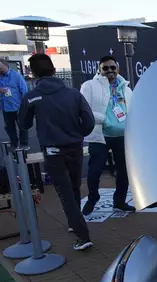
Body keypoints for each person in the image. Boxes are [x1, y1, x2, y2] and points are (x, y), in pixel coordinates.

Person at [18, 54, 95, 251]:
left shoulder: (31, 96)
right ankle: (74, 223)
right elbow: (89, 122)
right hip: (75, 147)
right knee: (74, 187)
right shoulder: (73, 94)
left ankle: (82, 235)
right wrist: (77, 134)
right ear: (54, 71)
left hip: (53, 151)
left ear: (33, 74)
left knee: (66, 193)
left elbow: (23, 123)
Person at [80, 56, 136, 215]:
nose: (110, 71)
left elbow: (131, 110)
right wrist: (104, 120)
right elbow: (84, 110)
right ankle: (92, 198)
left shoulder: (125, 87)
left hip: (122, 137)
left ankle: (119, 201)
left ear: (118, 68)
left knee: (124, 171)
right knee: (95, 171)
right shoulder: (89, 86)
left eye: (113, 68)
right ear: (99, 69)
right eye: (106, 68)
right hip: (100, 136)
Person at [0, 59, 29, 148]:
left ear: (6, 66)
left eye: (1, 68)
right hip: (5, 107)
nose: (0, 70)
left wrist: (25, 105)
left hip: (18, 106)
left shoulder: (16, 76)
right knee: (9, 127)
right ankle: (14, 143)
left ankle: (24, 144)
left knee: (22, 126)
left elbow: (24, 90)